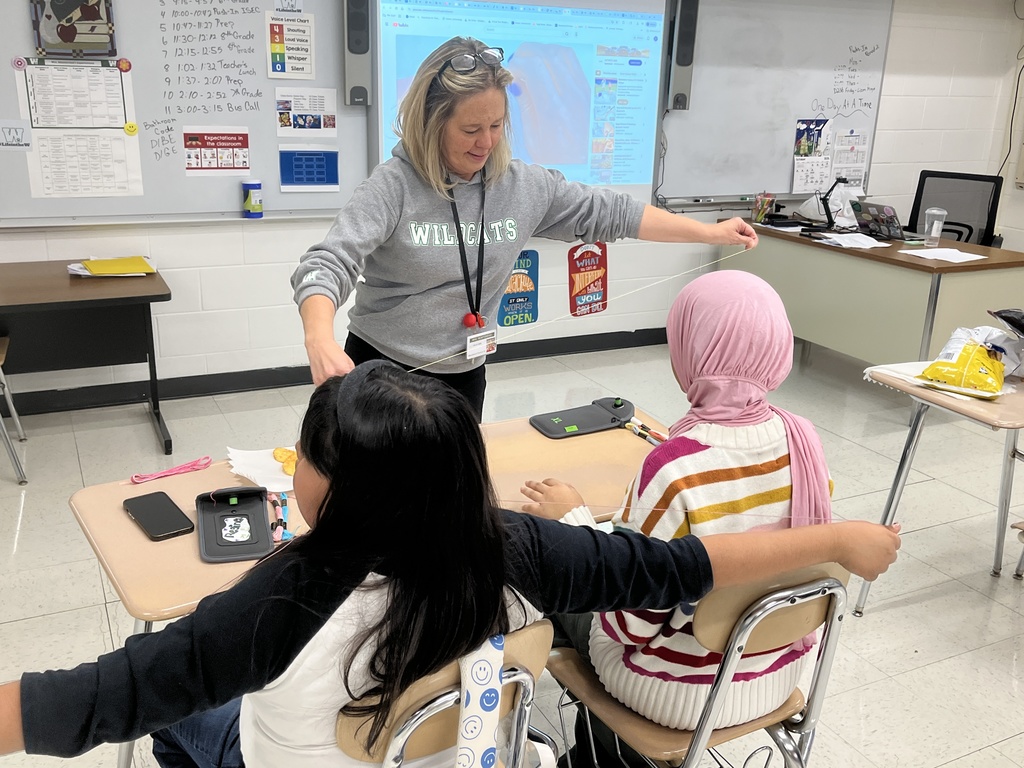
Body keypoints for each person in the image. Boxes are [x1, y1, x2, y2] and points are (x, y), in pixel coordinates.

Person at [0, 362, 899, 768]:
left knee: (182, 722)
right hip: (465, 752)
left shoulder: (278, 601)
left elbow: (102, 695)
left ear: (332, 487)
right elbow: (686, 566)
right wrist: (834, 539)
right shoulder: (522, 546)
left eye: (305, 454)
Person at [291, 36, 759, 419]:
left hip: (464, 374)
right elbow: (328, 263)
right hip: (382, 373)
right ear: (431, 123)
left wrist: (710, 233)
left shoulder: (521, 185)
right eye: (470, 130)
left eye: (496, 125)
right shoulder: (393, 186)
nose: (486, 142)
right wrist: (319, 337)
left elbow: (613, 212)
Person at [520, 271, 872, 764]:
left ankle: (600, 753)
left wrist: (577, 524)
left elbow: (626, 624)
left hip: (673, 694)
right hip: (777, 676)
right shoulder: (805, 441)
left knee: (549, 574)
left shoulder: (673, 467)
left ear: (689, 351)